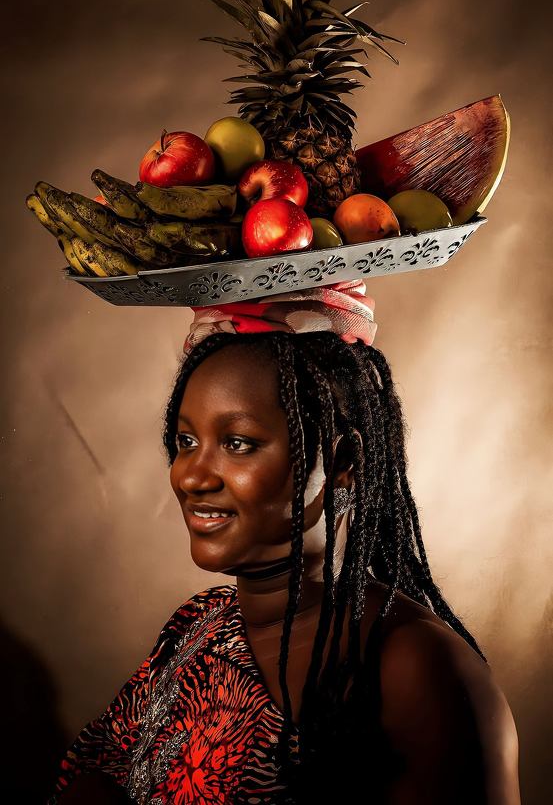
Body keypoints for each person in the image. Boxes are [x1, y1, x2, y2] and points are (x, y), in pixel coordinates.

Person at [50, 282, 521, 804]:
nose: (191, 476)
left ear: (342, 463)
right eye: (186, 441)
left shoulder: (414, 672)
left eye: (238, 444)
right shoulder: (197, 627)